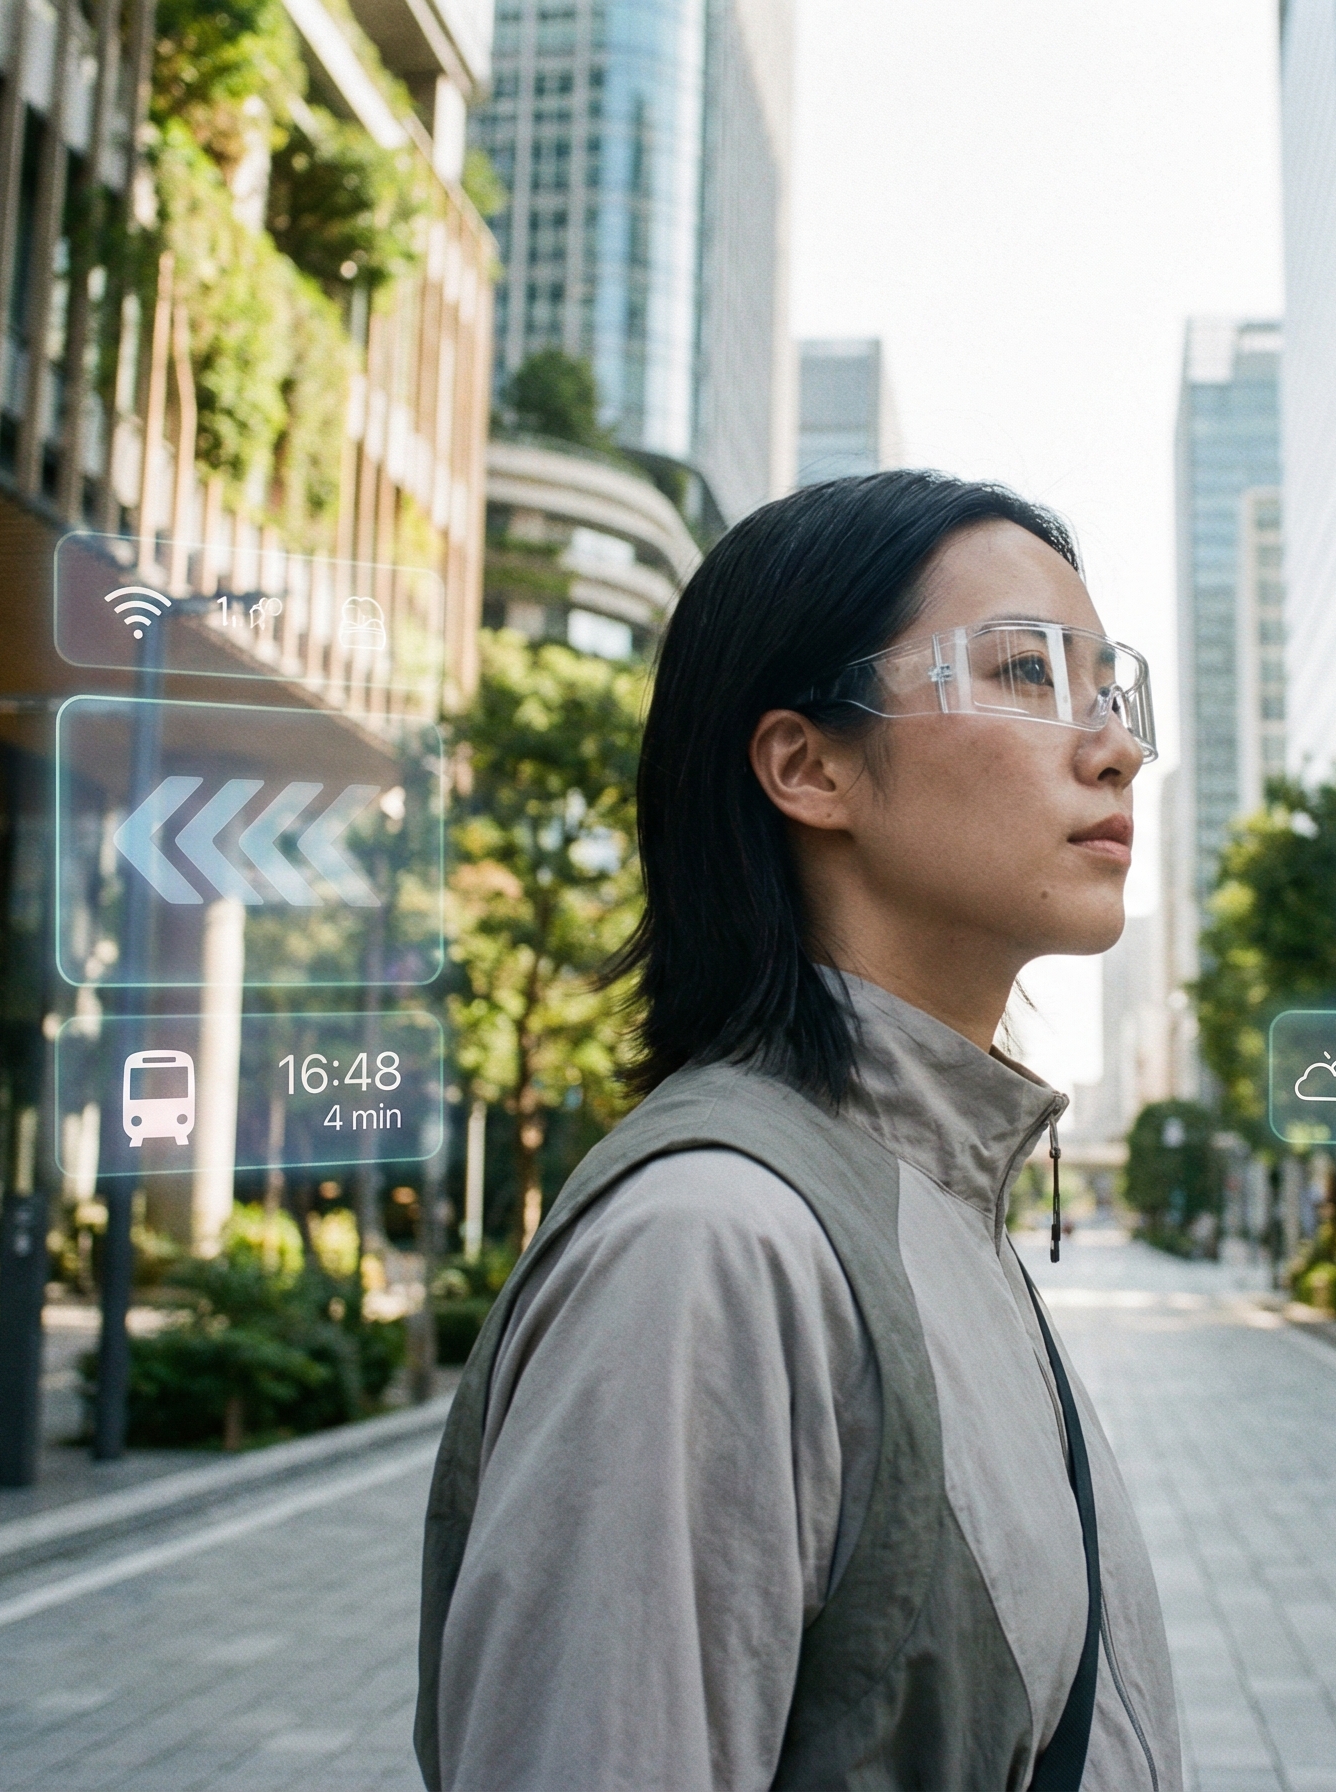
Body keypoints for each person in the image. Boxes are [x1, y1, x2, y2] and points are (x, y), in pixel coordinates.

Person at [417, 470, 1183, 1791]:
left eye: (1110, 689)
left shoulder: (928, 1194)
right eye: (1026, 673)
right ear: (808, 765)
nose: (1115, 747)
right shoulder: (711, 1247)